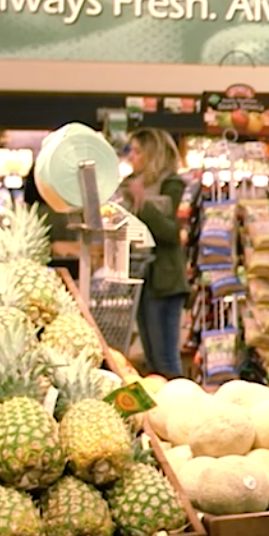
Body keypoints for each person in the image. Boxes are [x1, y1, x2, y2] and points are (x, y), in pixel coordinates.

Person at [123, 128, 188, 379]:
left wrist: (143, 204)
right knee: (151, 359)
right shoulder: (131, 184)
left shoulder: (174, 185)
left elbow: (171, 232)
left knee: (165, 358)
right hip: (142, 279)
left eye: (137, 151)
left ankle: (178, 406)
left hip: (165, 282)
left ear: (152, 154)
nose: (132, 157)